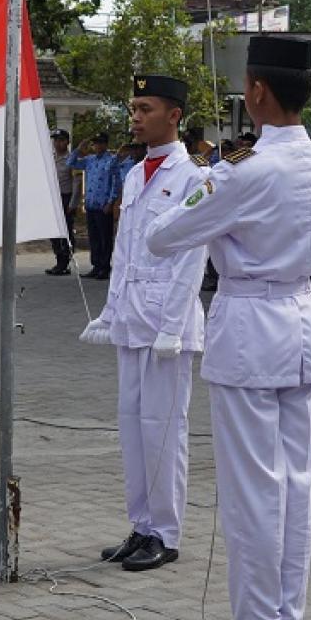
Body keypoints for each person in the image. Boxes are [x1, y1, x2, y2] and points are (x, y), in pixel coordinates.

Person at [145, 36, 311, 620]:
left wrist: (209, 182)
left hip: (251, 325)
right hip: (302, 318)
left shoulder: (243, 168)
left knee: (254, 489)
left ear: (257, 91)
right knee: (296, 486)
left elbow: (162, 236)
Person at [79, 75, 208, 571]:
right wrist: (109, 313)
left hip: (166, 324)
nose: (135, 117)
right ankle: (141, 526)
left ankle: (165, 533)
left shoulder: (194, 177)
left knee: (164, 430)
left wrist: (173, 325)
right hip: (133, 319)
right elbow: (126, 253)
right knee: (133, 428)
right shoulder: (135, 174)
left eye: (145, 108)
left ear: (174, 115)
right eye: (133, 107)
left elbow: (192, 256)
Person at [67, 132, 119, 279]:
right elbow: (70, 163)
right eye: (95, 143)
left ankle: (104, 267)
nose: (98, 146)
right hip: (91, 204)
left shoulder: (112, 160)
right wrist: (78, 149)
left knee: (104, 238)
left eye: (100, 143)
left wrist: (111, 202)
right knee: (94, 238)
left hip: (103, 205)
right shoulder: (89, 160)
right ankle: (96, 266)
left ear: (106, 144)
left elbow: (116, 183)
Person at [45, 128, 75, 276]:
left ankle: (64, 262)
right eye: (55, 140)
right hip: (53, 197)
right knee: (53, 231)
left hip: (65, 197)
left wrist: (73, 203)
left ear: (67, 142)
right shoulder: (51, 157)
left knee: (65, 231)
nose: (57, 143)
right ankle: (59, 260)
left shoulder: (71, 159)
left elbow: (76, 182)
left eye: (61, 140)